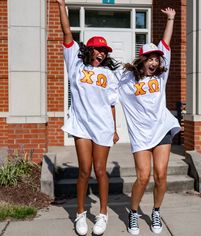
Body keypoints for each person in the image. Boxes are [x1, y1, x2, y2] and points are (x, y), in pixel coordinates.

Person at [56, 1, 120, 235]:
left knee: (101, 171)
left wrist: (114, 129)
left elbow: (112, 104)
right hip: (81, 125)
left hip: (102, 126)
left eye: (105, 51)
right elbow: (66, 32)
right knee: (84, 171)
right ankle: (80, 214)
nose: (101, 53)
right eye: (98, 49)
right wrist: (62, 6)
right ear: (89, 49)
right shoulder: (74, 62)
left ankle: (102, 215)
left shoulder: (110, 74)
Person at [117, 7, 180, 235]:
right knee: (143, 177)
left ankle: (155, 211)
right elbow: (105, 86)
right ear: (142, 60)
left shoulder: (161, 75)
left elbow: (165, 43)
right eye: (150, 58)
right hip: (141, 134)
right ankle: (133, 212)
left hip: (161, 128)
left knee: (161, 174)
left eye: (156, 58)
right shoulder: (127, 81)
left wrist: (171, 19)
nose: (154, 62)